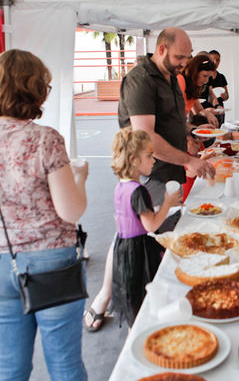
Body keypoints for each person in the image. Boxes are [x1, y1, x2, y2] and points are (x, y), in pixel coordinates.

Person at [0, 49, 89, 381]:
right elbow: (71, 211)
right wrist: (80, 178)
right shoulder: (46, 139)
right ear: (36, 88)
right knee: (64, 365)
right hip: (51, 262)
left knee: (9, 367)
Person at [84, 128, 181, 331]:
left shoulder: (121, 186)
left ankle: (133, 331)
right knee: (143, 297)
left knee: (131, 296)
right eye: (148, 155)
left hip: (122, 247)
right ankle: (140, 335)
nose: (153, 160)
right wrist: (167, 203)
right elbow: (151, 225)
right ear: (133, 159)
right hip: (139, 251)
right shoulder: (139, 192)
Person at [118, 27, 215, 222]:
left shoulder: (171, 77)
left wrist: (192, 132)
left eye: (187, 57)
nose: (184, 63)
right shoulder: (141, 80)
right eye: (179, 57)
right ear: (162, 49)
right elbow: (145, 136)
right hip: (152, 173)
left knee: (173, 229)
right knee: (157, 233)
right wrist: (188, 161)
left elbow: (173, 120)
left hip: (171, 169)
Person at [178, 53, 219, 127]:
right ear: (195, 71)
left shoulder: (193, 86)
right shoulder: (180, 79)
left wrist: (207, 113)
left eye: (209, 77)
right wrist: (192, 129)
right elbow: (175, 115)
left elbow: (198, 110)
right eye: (204, 75)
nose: (206, 81)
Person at [200, 49, 229, 123]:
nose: (215, 62)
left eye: (218, 60)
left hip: (218, 109)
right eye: (213, 59)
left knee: (218, 131)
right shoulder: (200, 76)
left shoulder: (221, 77)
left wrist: (218, 104)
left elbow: (214, 94)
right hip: (204, 109)